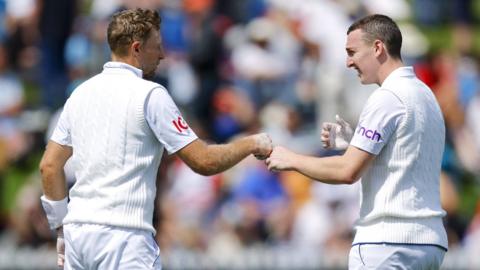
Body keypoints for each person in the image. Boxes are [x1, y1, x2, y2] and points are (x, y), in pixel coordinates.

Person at [39, 8, 272, 269]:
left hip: (77, 238)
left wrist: (60, 228)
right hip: (124, 239)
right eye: (157, 47)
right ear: (137, 49)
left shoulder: (79, 95)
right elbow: (203, 161)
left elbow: (49, 166)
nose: (162, 55)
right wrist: (252, 143)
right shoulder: (151, 94)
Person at [266, 14, 447, 269]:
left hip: (386, 244)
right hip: (429, 243)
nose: (348, 62)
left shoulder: (387, 97)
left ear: (377, 48)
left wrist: (291, 158)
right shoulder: (426, 95)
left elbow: (347, 171)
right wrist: (354, 142)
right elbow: (407, 151)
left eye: (352, 52)